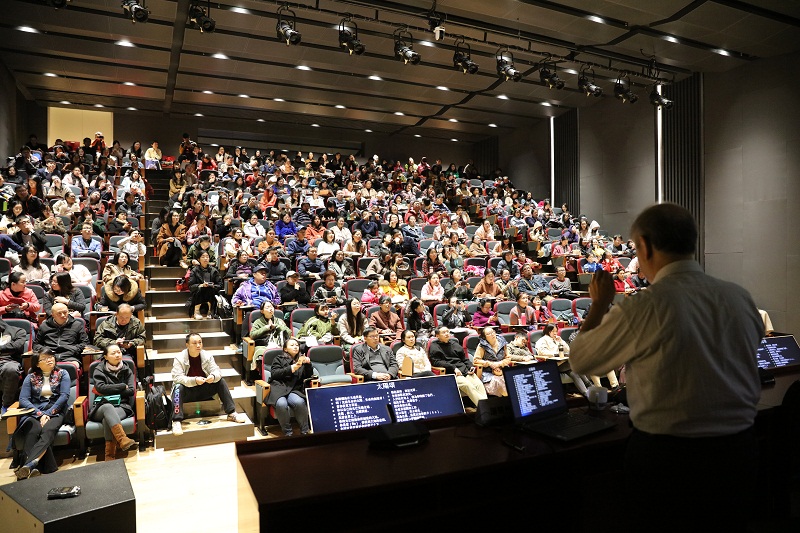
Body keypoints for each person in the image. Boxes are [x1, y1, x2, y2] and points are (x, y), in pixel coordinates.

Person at [570, 203, 763, 532]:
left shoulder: (645, 305)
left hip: (670, 462)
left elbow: (581, 360)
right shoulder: (739, 297)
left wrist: (600, 305)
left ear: (644, 246)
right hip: (741, 453)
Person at [170, 333, 247, 436]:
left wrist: (213, 376)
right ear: (187, 345)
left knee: (220, 381)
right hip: (188, 392)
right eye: (194, 343)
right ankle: (176, 421)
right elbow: (177, 378)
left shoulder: (207, 356)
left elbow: (217, 371)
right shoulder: (179, 358)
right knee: (178, 388)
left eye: (200, 342)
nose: (198, 345)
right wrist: (194, 380)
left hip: (204, 389)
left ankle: (231, 413)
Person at [14, 350, 70, 479]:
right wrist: (40, 414)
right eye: (45, 359)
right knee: (33, 431)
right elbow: (23, 400)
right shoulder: (31, 377)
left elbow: (64, 396)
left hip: (56, 411)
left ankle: (28, 464)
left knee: (47, 430)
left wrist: (49, 413)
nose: (50, 360)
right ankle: (38, 467)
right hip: (34, 411)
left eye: (51, 357)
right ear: (37, 364)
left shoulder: (63, 373)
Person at [87, 344, 137, 460]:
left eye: (119, 352)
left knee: (107, 419)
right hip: (100, 406)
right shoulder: (99, 369)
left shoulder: (126, 369)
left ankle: (109, 455)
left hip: (122, 406)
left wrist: (110, 390)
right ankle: (122, 439)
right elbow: (100, 388)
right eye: (113, 353)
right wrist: (121, 386)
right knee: (107, 407)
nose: (117, 355)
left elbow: (130, 391)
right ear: (105, 356)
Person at [428, 326, 487, 406]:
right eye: (443, 332)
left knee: (479, 384)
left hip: (465, 370)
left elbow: (464, 358)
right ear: (437, 336)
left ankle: (485, 407)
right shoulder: (434, 346)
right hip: (451, 373)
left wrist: (470, 366)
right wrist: (453, 368)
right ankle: (485, 408)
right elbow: (436, 362)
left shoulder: (454, 343)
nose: (446, 334)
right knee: (467, 385)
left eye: (447, 332)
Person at [266, 337, 313, 436]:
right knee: (281, 404)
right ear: (285, 349)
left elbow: (308, 376)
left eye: (297, 345)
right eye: (292, 345)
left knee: (299, 402)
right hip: (279, 388)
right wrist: (292, 368)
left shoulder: (302, 359)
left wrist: (308, 364)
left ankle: (305, 431)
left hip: (294, 389)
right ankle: (288, 433)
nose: (295, 347)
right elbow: (274, 374)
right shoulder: (278, 359)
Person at [473, 326, 511, 396]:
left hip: (502, 369)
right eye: (489, 334)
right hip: (488, 372)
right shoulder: (482, 345)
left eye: (493, 332)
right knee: (498, 382)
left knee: (510, 379)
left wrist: (499, 364)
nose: (492, 334)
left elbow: (508, 358)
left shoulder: (502, 342)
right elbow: (476, 360)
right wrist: (489, 363)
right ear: (485, 337)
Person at [0, 318, 27, 415]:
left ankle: (6, 404)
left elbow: (17, 346)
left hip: (9, 361)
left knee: (11, 369)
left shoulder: (18, 331)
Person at [187, 250, 223, 319]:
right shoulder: (194, 270)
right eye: (203, 257)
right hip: (199, 292)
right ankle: (196, 312)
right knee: (202, 288)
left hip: (211, 291)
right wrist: (201, 285)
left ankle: (210, 312)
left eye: (207, 257)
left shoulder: (214, 270)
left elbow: (220, 285)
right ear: (199, 259)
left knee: (209, 289)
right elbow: (191, 286)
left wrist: (212, 285)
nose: (205, 258)